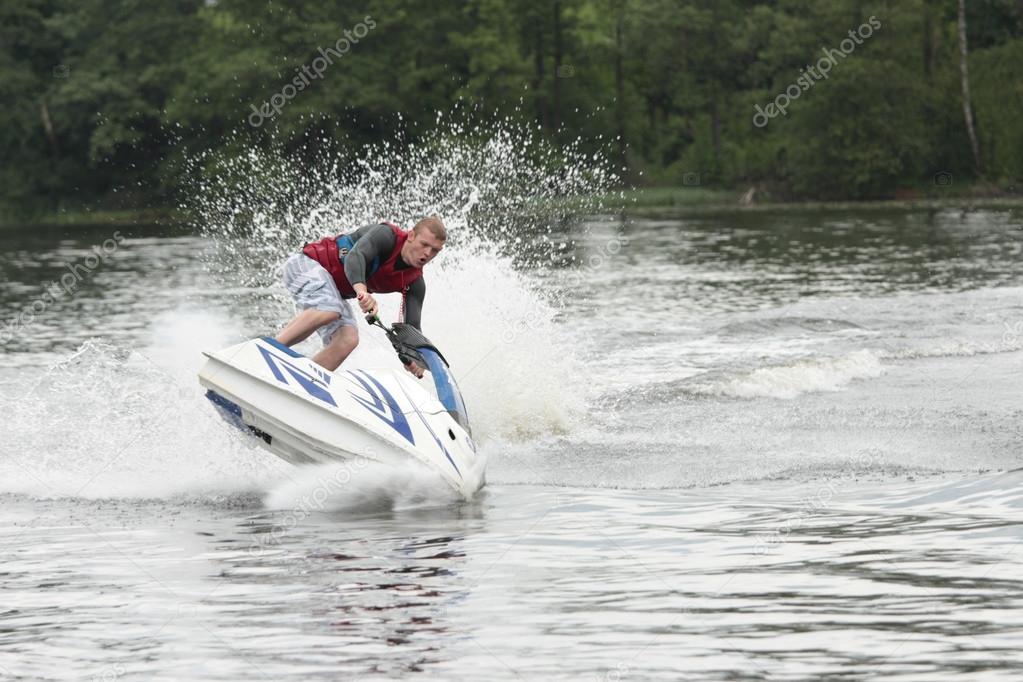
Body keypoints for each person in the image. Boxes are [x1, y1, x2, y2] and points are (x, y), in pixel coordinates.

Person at [275, 216, 446, 376]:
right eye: (424, 244)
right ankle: (267, 350)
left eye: (434, 251)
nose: (427, 254)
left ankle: (302, 380)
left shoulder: (415, 283)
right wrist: (362, 291)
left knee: (348, 339)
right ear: (411, 236)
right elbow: (354, 257)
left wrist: (416, 360)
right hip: (305, 264)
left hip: (331, 291)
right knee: (330, 310)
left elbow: (412, 330)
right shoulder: (387, 236)